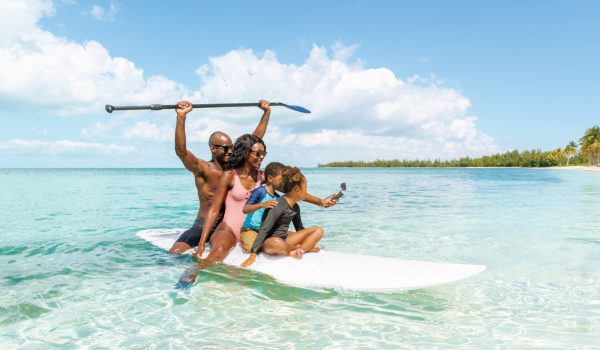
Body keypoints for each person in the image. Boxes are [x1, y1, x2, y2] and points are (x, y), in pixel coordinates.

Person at [167, 99, 272, 254]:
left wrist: (266, 113)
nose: (230, 151)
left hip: (227, 225)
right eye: (225, 148)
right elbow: (181, 152)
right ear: (213, 148)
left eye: (232, 147)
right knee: (174, 252)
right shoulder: (202, 168)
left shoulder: (234, 168)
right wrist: (181, 117)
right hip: (204, 223)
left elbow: (253, 141)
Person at [241, 167, 324, 267]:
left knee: (318, 230)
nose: (306, 192)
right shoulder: (278, 204)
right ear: (297, 190)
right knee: (276, 242)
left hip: (284, 239)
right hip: (269, 241)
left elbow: (299, 229)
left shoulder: (295, 207)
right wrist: (253, 254)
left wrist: (306, 239)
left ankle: (300, 249)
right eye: (305, 189)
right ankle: (298, 249)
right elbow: (264, 229)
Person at [239, 161, 286, 252]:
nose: (283, 182)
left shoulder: (277, 197)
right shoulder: (259, 191)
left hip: (265, 231)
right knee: (251, 248)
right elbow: (245, 209)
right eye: (282, 179)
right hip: (250, 229)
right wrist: (262, 204)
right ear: (270, 178)